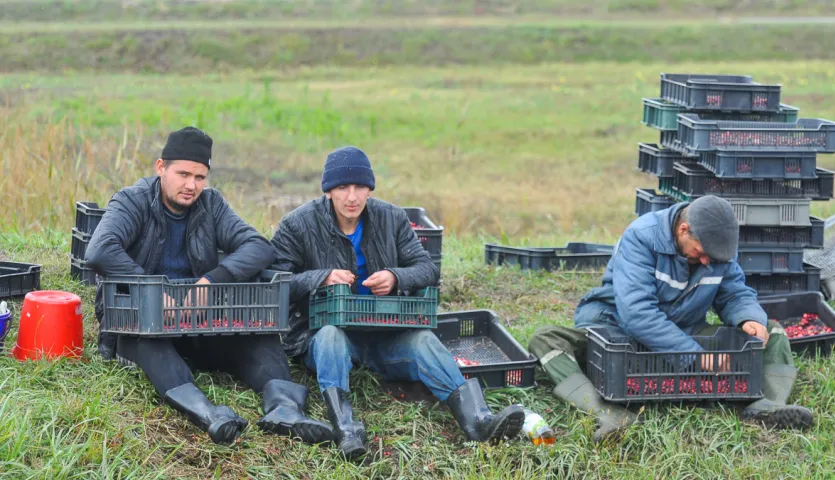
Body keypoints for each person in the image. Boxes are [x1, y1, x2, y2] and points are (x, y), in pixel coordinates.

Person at [271, 146, 525, 459]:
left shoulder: (391, 218)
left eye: (360, 187)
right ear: (328, 192)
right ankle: (346, 428)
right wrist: (321, 277)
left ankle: (478, 420)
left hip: (385, 332)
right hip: (323, 333)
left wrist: (395, 277)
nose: (352, 197)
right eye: (342, 188)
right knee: (329, 336)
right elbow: (276, 281)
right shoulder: (298, 224)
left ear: (370, 189)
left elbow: (427, 268)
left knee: (423, 340)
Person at [86, 126, 333, 446]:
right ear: (161, 167)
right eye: (183, 174)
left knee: (261, 339)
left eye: (200, 177)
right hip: (140, 321)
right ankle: (210, 414)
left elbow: (258, 246)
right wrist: (154, 291)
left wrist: (211, 281)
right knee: (150, 344)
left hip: (198, 319)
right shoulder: (132, 200)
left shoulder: (211, 205)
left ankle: (285, 411)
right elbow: (99, 251)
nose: (191, 185)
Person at [528, 195, 813, 443]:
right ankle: (609, 413)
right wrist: (695, 355)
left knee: (773, 331)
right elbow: (637, 315)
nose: (706, 262)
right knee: (547, 339)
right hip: (617, 329)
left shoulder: (717, 250)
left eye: (713, 258)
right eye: (700, 253)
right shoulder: (641, 237)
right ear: (683, 229)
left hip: (685, 326)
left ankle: (767, 406)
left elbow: (735, 293)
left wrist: (748, 319)